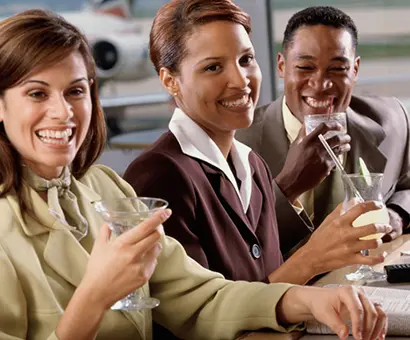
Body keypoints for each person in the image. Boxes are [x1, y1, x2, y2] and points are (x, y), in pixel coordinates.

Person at [0, 8, 387, 340]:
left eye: (76, 91)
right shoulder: (156, 174)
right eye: (37, 94)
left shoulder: (105, 187)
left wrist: (311, 300)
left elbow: (201, 298)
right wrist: (94, 297)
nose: (64, 112)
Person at [236, 6, 410, 252]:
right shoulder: (239, 140)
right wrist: (289, 185)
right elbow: (238, 247)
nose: (321, 84)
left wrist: (397, 213)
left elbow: (407, 187)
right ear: (282, 66)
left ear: (355, 69)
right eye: (305, 67)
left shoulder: (392, 119)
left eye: (337, 69)